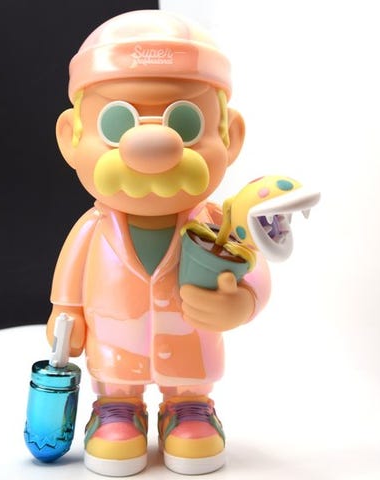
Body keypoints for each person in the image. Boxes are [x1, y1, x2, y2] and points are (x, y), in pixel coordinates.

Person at [46, 9, 271, 476]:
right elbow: (68, 289)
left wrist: (243, 300)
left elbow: (253, 265)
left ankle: (189, 408)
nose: (152, 146)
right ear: (71, 139)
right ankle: (116, 409)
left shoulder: (220, 222)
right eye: (117, 124)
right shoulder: (93, 227)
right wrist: (66, 316)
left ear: (230, 138)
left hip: (190, 348)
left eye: (186, 123)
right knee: (116, 384)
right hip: (115, 348)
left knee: (189, 387)